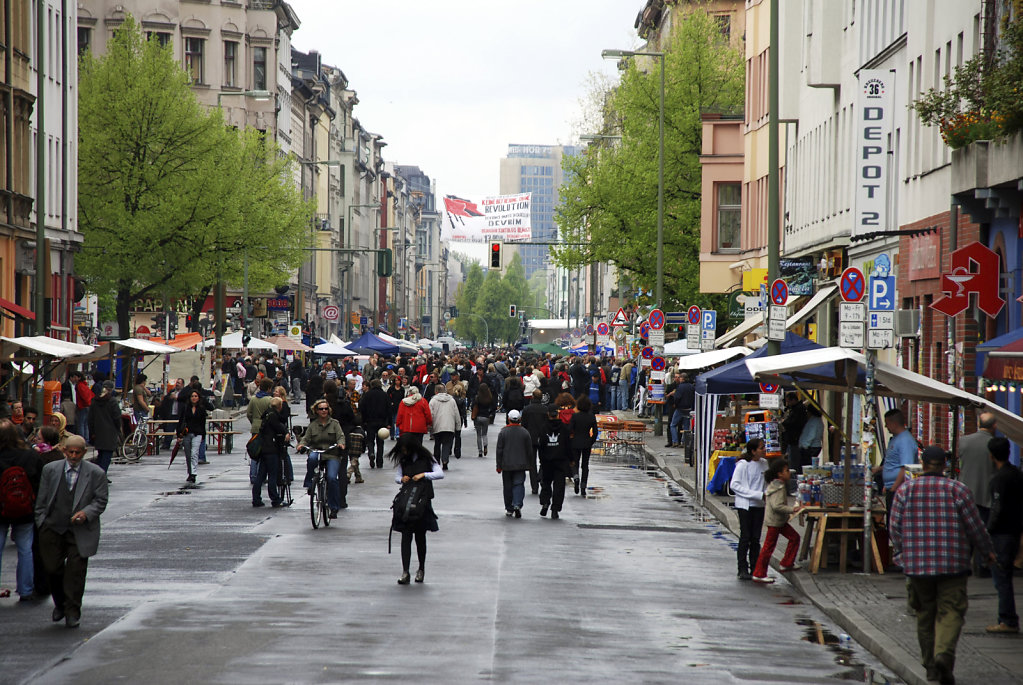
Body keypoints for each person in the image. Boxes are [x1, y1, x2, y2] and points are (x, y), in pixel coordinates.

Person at [890, 444, 994, 685]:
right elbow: (975, 527)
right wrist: (987, 552)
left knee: (925, 615)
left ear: (923, 464)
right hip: (952, 565)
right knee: (952, 612)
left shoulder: (906, 491)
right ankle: (943, 654)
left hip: (917, 567)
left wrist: (904, 553)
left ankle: (930, 667)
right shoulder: (958, 490)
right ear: (945, 466)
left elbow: (894, 527)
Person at [34, 434, 108, 628]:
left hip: (80, 530)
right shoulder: (50, 470)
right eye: (70, 452)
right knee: (52, 569)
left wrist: (86, 513)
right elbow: (41, 499)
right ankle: (60, 604)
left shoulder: (96, 473)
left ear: (84, 452)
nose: (74, 456)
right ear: (64, 451)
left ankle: (72, 611)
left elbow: (100, 500)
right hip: (52, 526)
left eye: (78, 452)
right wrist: (41, 520)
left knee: (76, 571)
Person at [390, 433, 444, 584]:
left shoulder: (427, 458)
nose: (404, 452)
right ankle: (405, 571)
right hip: (407, 502)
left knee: (420, 537)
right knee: (406, 537)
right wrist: (401, 479)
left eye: (406, 449)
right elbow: (396, 477)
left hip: (422, 502)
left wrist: (424, 475)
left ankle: (421, 569)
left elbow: (440, 474)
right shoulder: (403, 460)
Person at [0, 420, 43, 602]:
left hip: (0, 508)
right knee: (25, 548)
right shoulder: (30, 455)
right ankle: (25, 589)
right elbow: (39, 480)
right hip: (25, 508)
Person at [985, 436, 1023, 634]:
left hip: (1002, 534)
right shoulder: (1016, 474)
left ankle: (1007, 620)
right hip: (1014, 530)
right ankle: (1007, 618)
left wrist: (988, 529)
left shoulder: (999, 479)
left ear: (991, 456)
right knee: (1005, 575)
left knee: (1002, 578)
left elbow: (997, 508)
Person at [751, 458, 803, 583]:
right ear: (780, 474)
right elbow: (777, 506)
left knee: (794, 538)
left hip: (779, 521)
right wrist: (792, 509)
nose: (788, 473)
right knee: (768, 547)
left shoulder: (777, 485)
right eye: (786, 471)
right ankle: (759, 573)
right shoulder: (778, 488)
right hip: (775, 522)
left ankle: (787, 562)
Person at [299, 399, 347, 516]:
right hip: (317, 450)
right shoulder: (313, 425)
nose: (324, 411)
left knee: (331, 478)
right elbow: (306, 438)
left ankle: (334, 507)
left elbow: (341, 436)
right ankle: (310, 482)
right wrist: (301, 444)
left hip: (331, 453)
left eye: (326, 408)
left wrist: (341, 444)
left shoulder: (335, 423)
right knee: (312, 458)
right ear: (317, 411)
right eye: (321, 409)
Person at [730, 438, 769, 581]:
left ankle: (755, 567)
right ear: (753, 451)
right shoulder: (743, 465)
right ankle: (742, 568)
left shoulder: (764, 464)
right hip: (745, 506)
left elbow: (767, 483)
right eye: (761, 447)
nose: (764, 449)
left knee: (755, 538)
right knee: (745, 537)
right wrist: (757, 495)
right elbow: (735, 485)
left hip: (759, 506)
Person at [875, 409, 918, 517]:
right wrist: (880, 471)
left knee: (895, 520)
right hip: (892, 488)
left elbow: (906, 468)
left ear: (894, 424)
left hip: (898, 490)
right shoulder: (895, 439)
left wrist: (894, 488)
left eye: (887, 424)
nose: (886, 427)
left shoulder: (905, 440)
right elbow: (894, 463)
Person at [957, 413, 998, 523]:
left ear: (978, 423)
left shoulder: (963, 441)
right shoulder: (994, 445)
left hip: (965, 494)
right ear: (994, 425)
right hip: (986, 498)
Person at [253, 397, 290, 508]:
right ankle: (275, 499)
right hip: (271, 448)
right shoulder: (273, 416)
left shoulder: (267, 414)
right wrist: (286, 432)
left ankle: (256, 499)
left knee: (261, 475)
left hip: (263, 448)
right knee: (272, 475)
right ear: (279, 406)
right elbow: (279, 428)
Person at [538, 405, 572, 519]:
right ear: (557, 414)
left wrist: (541, 459)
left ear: (548, 414)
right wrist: (571, 459)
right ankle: (555, 509)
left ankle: (545, 502)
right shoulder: (564, 428)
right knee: (559, 486)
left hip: (547, 461)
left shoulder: (543, 427)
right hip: (560, 460)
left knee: (546, 483)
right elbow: (568, 445)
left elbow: (541, 445)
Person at [496, 409, 532, 518]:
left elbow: (499, 450)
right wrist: (530, 464)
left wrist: (499, 466)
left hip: (506, 464)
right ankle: (517, 504)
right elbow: (529, 450)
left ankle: (509, 508)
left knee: (507, 486)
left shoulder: (503, 432)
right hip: (521, 464)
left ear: (508, 419)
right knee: (519, 484)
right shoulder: (525, 432)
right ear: (520, 419)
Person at [176, 389, 211, 485]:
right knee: (188, 454)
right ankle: (190, 472)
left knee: (194, 453)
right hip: (187, 433)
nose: (194, 398)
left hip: (197, 434)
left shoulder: (201, 409)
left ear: (199, 398)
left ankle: (193, 474)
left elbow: (203, 423)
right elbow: (181, 421)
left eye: (196, 396)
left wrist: (203, 435)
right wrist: (179, 434)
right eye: (192, 396)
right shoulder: (186, 408)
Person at [88, 380, 122, 473]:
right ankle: (102, 475)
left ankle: (100, 474)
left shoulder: (94, 401)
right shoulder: (112, 401)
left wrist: (92, 432)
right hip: (110, 432)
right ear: (111, 390)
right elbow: (117, 417)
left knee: (101, 454)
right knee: (107, 456)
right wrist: (118, 429)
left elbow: (90, 418)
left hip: (98, 432)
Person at [569, 395, 598, 498]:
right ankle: (583, 486)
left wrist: (570, 439)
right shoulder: (591, 416)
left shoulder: (575, 416)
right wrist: (591, 441)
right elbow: (595, 432)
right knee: (585, 465)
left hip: (575, 442)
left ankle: (576, 477)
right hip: (586, 442)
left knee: (575, 462)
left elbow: (570, 429)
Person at [520, 389, 547, 495]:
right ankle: (540, 476)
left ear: (532, 397)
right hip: (543, 438)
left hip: (530, 438)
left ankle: (534, 486)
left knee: (532, 463)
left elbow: (524, 425)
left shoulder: (527, 409)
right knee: (543, 461)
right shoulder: (545, 410)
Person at [360, 379, 391, 468]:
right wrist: (389, 422)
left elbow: (362, 408)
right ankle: (379, 461)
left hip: (370, 421)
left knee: (370, 440)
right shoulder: (384, 395)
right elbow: (389, 409)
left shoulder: (367, 395)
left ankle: (371, 452)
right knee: (380, 441)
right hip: (381, 422)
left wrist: (364, 421)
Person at [428, 384, 459, 471]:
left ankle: (437, 462)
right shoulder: (451, 400)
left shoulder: (433, 401)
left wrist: (430, 426)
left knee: (437, 444)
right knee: (446, 444)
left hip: (437, 426)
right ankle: (445, 461)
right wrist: (458, 426)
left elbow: (430, 414)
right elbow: (456, 414)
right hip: (449, 426)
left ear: (436, 391)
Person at [668, 373, 695, 450]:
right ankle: (684, 442)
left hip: (680, 408)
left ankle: (675, 441)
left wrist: (675, 404)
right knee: (686, 426)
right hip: (689, 408)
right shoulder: (691, 386)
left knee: (673, 425)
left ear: (682, 379)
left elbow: (677, 397)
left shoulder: (680, 387)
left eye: (680, 378)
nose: (679, 379)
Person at [780, 392, 808, 466]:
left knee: (794, 461)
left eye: (788, 401)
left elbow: (794, 422)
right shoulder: (793, 409)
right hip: (792, 439)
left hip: (795, 439)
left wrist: (784, 422)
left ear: (793, 400)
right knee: (791, 459)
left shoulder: (799, 409)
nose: (787, 403)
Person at [471, 384, 495, 458]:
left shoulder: (477, 398)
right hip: (486, 417)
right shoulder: (489, 398)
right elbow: (493, 407)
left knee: (478, 435)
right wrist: (489, 413)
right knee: (484, 434)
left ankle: (480, 451)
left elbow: (473, 406)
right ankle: (485, 445)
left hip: (478, 417)